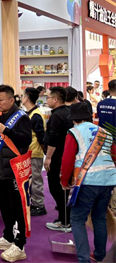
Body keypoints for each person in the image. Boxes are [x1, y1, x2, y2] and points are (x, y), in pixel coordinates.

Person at [61, 102, 116, 263]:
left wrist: (64, 180)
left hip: (86, 181)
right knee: (100, 218)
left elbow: (67, 159)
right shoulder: (105, 132)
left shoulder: (74, 132)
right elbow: (114, 154)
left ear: (73, 119)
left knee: (78, 219)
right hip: (107, 180)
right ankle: (100, 256)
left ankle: (83, 259)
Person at [0, 84, 32, 262]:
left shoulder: (21, 117)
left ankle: (20, 245)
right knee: (4, 205)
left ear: (11, 100)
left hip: (15, 169)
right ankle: (8, 236)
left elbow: (25, 140)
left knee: (17, 207)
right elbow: (0, 140)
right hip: (1, 168)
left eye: (1, 99)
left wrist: (6, 131)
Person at [44, 86, 72, 232]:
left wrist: (48, 157)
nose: (46, 100)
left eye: (48, 97)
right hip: (68, 156)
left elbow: (53, 138)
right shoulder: (69, 112)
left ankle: (64, 221)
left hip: (57, 156)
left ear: (55, 99)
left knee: (56, 187)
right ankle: (65, 218)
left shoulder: (56, 116)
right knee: (64, 187)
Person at [22, 87, 47, 217]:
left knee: (36, 179)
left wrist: (44, 151)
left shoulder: (35, 115)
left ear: (26, 98)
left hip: (35, 152)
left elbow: (41, 136)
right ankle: (34, 202)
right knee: (30, 179)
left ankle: (39, 205)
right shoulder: (29, 113)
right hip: (28, 151)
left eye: (22, 96)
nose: (21, 98)